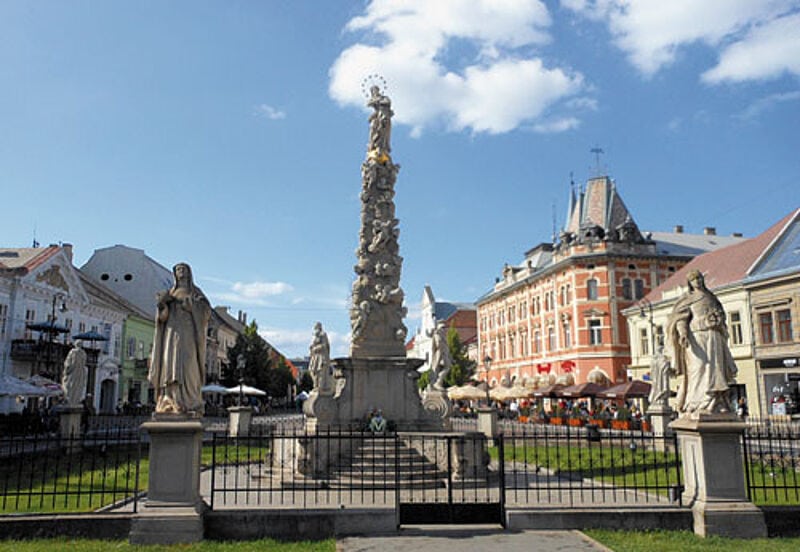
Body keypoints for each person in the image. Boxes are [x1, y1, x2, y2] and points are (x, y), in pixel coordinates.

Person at [667, 270, 738, 416]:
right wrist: (683, 334)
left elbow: (721, 314)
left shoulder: (711, 297)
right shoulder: (688, 298)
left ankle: (716, 401)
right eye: (694, 279)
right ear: (690, 283)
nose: (697, 281)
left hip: (713, 335)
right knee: (698, 368)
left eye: (699, 278)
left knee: (716, 367)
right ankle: (696, 401)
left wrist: (718, 319)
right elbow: (680, 318)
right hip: (696, 338)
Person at [149, 263, 211, 415]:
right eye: (177, 269)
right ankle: (170, 399)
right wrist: (162, 305)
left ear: (189, 273)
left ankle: (190, 401)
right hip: (171, 334)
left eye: (183, 269)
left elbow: (206, 311)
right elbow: (162, 318)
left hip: (188, 334)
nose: (180, 271)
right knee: (169, 366)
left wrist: (193, 307)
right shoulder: (171, 292)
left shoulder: (195, 292)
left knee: (189, 364)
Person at [309, 322, 334, 396]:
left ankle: (320, 386)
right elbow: (312, 345)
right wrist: (311, 348)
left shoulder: (323, 334)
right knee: (313, 371)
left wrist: (315, 348)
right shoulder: (315, 336)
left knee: (320, 372)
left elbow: (325, 345)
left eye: (316, 327)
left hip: (321, 356)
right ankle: (315, 386)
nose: (315, 329)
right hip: (315, 357)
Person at [62, 340, 88, 407]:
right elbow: (84, 364)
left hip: (73, 372)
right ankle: (75, 401)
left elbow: (69, 363)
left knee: (70, 386)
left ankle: (70, 401)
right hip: (80, 373)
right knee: (78, 387)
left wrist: (66, 370)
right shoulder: (84, 353)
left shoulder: (73, 352)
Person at [428, 321, 452, 390]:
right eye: (443, 328)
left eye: (445, 328)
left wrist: (449, 356)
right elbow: (436, 345)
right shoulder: (437, 335)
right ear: (440, 329)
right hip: (439, 354)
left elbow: (446, 346)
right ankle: (436, 382)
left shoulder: (444, 336)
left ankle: (438, 381)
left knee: (447, 367)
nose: (445, 329)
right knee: (436, 368)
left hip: (444, 354)